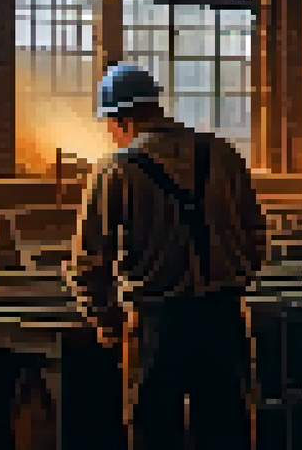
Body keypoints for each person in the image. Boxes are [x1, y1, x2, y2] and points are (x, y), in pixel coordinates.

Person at [70, 64, 268, 450]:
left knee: (155, 432)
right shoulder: (223, 154)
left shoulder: (116, 170)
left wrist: (109, 323)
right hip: (223, 320)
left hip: (157, 326)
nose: (110, 134)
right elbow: (257, 234)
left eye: (109, 123)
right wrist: (235, 278)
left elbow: (88, 264)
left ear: (123, 119)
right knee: (228, 429)